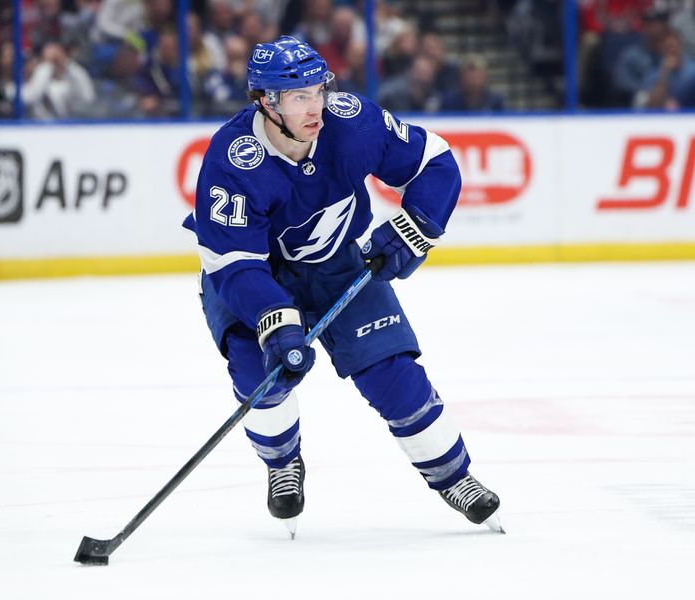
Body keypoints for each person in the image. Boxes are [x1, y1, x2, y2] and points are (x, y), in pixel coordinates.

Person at [182, 36, 502, 537]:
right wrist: (275, 319)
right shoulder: (233, 159)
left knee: (393, 372)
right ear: (267, 102)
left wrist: (414, 228)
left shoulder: (351, 122)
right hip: (258, 276)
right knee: (259, 374)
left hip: (339, 266)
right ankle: (282, 461)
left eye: (319, 90)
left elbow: (435, 161)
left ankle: (453, 476)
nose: (317, 107)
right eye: (300, 97)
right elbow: (233, 261)